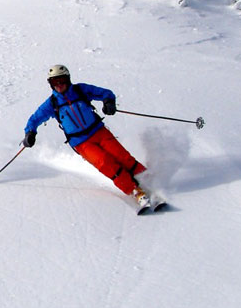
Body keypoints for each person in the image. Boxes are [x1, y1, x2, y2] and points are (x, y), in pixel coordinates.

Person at [22, 64, 152, 209]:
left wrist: (109, 102)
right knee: (105, 163)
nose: (59, 85)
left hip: (99, 132)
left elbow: (105, 93)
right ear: (50, 84)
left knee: (121, 155)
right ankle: (135, 190)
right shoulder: (52, 103)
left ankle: (147, 177)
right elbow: (34, 119)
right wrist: (30, 132)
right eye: (54, 82)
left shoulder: (80, 90)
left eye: (62, 80)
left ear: (68, 79)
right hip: (81, 142)